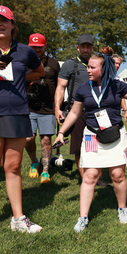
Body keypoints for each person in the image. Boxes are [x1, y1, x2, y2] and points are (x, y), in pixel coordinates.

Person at [53, 53, 127, 232]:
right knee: (89, 176)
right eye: (88, 66)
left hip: (116, 136)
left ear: (103, 69)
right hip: (91, 136)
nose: (88, 70)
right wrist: (61, 132)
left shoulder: (117, 85)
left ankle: (122, 208)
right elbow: (74, 113)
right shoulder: (83, 89)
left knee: (118, 175)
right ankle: (83, 217)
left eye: (92, 67)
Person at [0, 5, 44, 233]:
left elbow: (40, 72)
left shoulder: (25, 51)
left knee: (14, 167)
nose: (0, 24)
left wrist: (22, 78)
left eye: (4, 20)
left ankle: (18, 219)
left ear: (12, 25)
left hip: (17, 112)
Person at [55, 35, 110, 187]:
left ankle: (97, 177)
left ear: (93, 48)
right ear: (78, 47)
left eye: (88, 46)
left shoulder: (100, 64)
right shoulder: (69, 65)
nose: (86, 49)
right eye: (83, 46)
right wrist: (57, 108)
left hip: (97, 111)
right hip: (77, 111)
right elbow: (60, 87)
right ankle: (86, 179)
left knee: (96, 145)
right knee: (80, 147)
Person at [25, 33, 60, 184]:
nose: (37, 50)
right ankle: (34, 162)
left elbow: (60, 86)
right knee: (28, 138)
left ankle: (45, 171)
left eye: (39, 47)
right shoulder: (25, 62)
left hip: (48, 109)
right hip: (28, 107)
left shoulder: (53, 63)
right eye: (34, 47)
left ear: (45, 46)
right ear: (29, 47)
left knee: (46, 140)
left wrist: (58, 107)